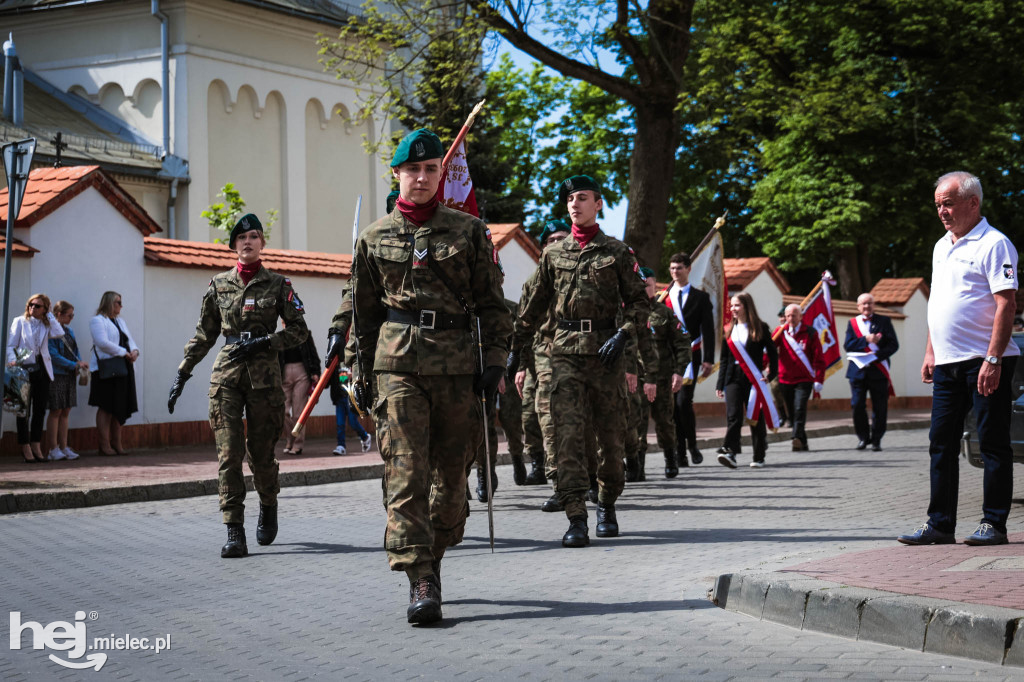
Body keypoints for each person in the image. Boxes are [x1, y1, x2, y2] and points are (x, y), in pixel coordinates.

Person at [330, 129, 511, 625]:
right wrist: (358, 371)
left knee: (451, 483)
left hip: (457, 368)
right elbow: (363, 315)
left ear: (439, 175)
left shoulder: (469, 232)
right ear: (397, 175)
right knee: (406, 473)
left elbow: (494, 307)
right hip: (398, 366)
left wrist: (494, 361)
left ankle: (437, 550)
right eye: (413, 170)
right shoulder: (372, 238)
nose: (423, 177)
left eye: (431, 169)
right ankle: (421, 578)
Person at [510, 174, 655, 547]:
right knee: (566, 437)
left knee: (611, 437)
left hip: (607, 354)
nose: (575, 203)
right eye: (571, 198)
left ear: (599, 204)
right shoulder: (553, 254)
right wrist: (515, 348)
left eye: (583, 197)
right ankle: (576, 516)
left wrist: (624, 334)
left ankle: (606, 502)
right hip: (564, 356)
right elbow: (533, 305)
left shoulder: (618, 253)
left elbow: (640, 303)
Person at [167, 213, 310, 559]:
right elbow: (204, 334)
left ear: (262, 243)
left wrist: (266, 343)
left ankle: (268, 502)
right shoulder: (218, 285)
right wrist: (182, 373)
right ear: (233, 245)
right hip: (227, 376)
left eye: (254, 236)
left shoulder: (278, 284)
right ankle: (234, 530)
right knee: (228, 455)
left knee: (260, 455)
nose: (247, 241)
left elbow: (299, 331)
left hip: (265, 380)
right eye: (241, 237)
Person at [898, 171, 1019, 547]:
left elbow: (1006, 303)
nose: (942, 211)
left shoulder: (995, 243)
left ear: (973, 203)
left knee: (992, 442)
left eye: (947, 203)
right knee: (941, 443)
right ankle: (940, 524)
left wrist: (993, 359)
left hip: (986, 361)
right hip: (948, 362)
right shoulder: (940, 246)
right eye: (937, 205)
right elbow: (940, 301)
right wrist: (932, 350)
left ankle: (994, 524)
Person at [633, 267, 691, 481]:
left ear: (655, 286)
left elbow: (683, 342)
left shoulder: (664, 313)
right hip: (635, 379)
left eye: (648, 284)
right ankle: (637, 466)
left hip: (662, 379)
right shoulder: (627, 312)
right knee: (635, 423)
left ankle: (670, 459)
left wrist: (679, 371)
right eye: (640, 284)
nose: (644, 288)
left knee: (665, 422)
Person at [664, 251, 716, 467]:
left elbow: (708, 331)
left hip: (691, 357)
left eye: (679, 268)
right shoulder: (663, 298)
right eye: (672, 268)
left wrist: (708, 359)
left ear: (688, 269)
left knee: (684, 402)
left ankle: (692, 445)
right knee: (672, 407)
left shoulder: (701, 298)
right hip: (667, 358)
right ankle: (680, 452)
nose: (675, 272)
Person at [715, 293, 778, 468]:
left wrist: (770, 375)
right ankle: (730, 452)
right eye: (732, 306)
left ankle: (759, 455)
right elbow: (725, 360)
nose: (733, 309)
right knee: (734, 415)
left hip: (753, 378)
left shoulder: (760, 327)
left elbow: (773, 353)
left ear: (746, 306)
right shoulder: (729, 329)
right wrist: (720, 383)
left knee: (755, 417)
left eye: (737, 305)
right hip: (732, 377)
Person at [7, 293, 64, 463]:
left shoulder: (47, 323)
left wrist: (50, 316)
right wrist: (13, 361)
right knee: (23, 410)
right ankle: (25, 445)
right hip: (23, 368)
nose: (33, 308)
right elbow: (11, 345)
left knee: (40, 409)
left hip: (43, 368)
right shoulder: (20, 321)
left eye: (38, 306)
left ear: (45, 309)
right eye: (31, 304)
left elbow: (59, 332)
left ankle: (36, 444)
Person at [843, 293, 899, 451]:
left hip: (878, 370)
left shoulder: (884, 321)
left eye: (869, 303)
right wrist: (866, 340)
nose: (866, 307)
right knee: (857, 405)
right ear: (858, 307)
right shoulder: (852, 323)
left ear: (873, 305)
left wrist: (877, 356)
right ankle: (863, 438)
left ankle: (876, 440)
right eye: (863, 304)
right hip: (858, 371)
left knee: (880, 407)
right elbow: (848, 345)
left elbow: (893, 345)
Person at [88, 291, 140, 455]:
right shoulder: (97, 321)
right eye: (118, 302)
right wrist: (124, 352)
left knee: (119, 406)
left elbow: (129, 339)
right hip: (106, 369)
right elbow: (102, 343)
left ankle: (117, 443)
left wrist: (134, 352)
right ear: (109, 303)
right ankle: (104, 445)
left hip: (123, 368)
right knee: (105, 406)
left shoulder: (120, 321)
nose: (121, 306)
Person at [774, 303, 824, 452]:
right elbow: (769, 350)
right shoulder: (780, 332)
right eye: (788, 315)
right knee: (792, 411)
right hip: (785, 379)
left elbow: (819, 358)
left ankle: (795, 436)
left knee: (799, 408)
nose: (790, 318)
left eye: (794, 315)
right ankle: (803, 442)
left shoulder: (810, 333)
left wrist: (819, 379)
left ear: (801, 316)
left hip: (804, 379)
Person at [45, 300, 88, 461]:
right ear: (59, 314)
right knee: (56, 410)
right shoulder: (51, 332)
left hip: (69, 374)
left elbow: (75, 351)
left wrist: (79, 363)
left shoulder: (69, 331)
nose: (71, 318)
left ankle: (63, 446)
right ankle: (52, 447)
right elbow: (53, 355)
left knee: (66, 410)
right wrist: (73, 365)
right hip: (57, 374)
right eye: (69, 315)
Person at [279, 324, 320, 455]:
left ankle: (298, 444)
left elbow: (313, 354)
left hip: (302, 373)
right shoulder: (281, 336)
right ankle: (290, 438)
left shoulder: (305, 335)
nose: (286, 324)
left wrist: (315, 372)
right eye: (284, 322)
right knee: (282, 410)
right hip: (284, 373)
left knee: (298, 412)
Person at [328, 363, 372, 455]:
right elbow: (330, 380)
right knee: (340, 423)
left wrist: (353, 375)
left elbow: (360, 375)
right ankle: (341, 445)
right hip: (339, 397)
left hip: (351, 397)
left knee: (352, 422)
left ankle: (365, 437)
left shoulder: (353, 360)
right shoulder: (335, 363)